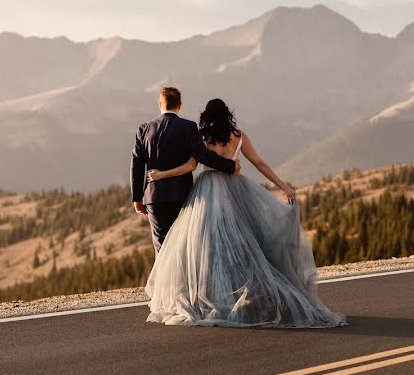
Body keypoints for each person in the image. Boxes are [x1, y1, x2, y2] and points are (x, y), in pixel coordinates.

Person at [143, 98, 345, 328]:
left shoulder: (202, 137)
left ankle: (216, 298)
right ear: (227, 114)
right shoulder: (238, 136)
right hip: (234, 192)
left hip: (206, 194)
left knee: (207, 250)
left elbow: (190, 167)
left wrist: (161, 175)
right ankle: (248, 297)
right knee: (243, 247)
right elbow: (260, 163)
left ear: (206, 116)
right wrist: (284, 187)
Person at [131, 87, 240, 252]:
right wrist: (230, 166)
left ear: (159, 104)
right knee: (184, 247)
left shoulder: (143, 129)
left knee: (162, 250)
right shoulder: (188, 127)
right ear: (179, 106)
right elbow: (202, 155)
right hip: (182, 196)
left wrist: (137, 198)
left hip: (155, 197)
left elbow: (137, 164)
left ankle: (163, 278)